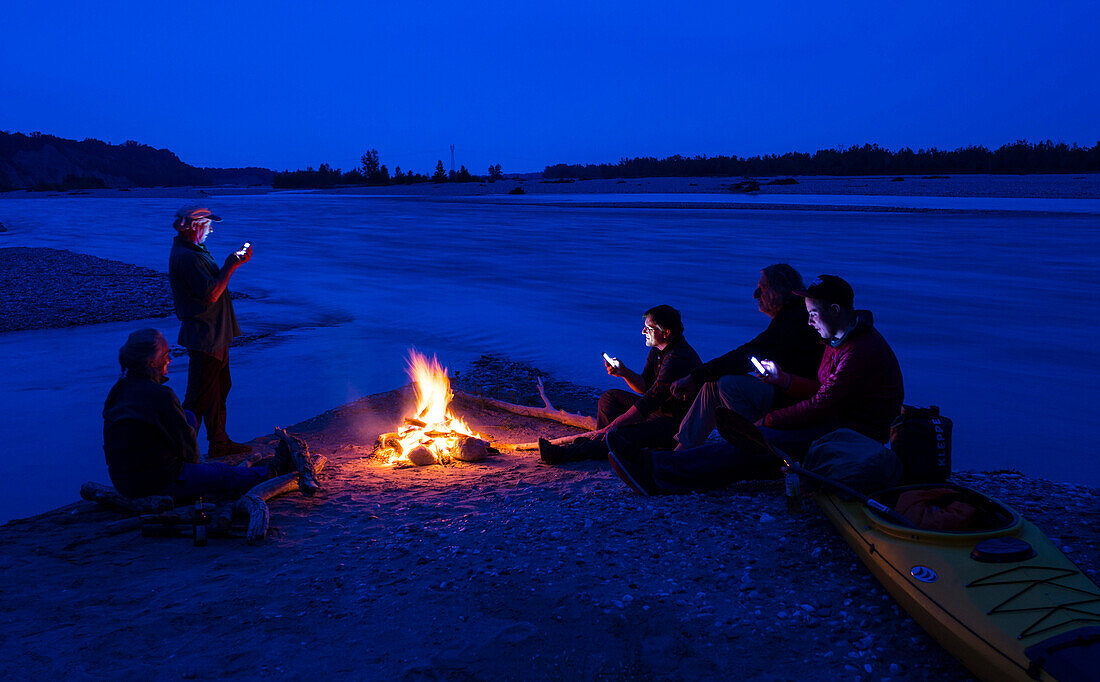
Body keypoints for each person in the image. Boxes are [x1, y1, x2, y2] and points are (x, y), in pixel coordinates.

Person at [607, 275, 904, 496]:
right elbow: (820, 389)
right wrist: (783, 380)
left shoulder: (860, 351)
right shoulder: (836, 341)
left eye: (813, 314)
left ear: (836, 310)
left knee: (754, 442)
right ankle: (667, 461)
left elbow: (822, 405)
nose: (810, 322)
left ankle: (658, 474)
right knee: (755, 434)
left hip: (852, 433)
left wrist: (769, 421)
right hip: (834, 420)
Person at [102, 329, 292, 501]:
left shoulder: (118, 390)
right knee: (222, 472)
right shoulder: (161, 396)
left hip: (123, 482)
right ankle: (273, 472)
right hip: (158, 481)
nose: (170, 360)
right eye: (167, 355)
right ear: (152, 362)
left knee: (189, 416)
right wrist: (191, 465)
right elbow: (189, 450)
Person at [669, 264, 823, 449]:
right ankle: (681, 451)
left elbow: (749, 354)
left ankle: (759, 449)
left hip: (798, 399)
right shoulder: (792, 316)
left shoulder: (793, 320)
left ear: (778, 291)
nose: (755, 294)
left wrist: (695, 376)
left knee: (729, 385)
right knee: (713, 383)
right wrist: (700, 376)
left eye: (762, 288)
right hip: (787, 392)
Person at [538, 305, 702, 464]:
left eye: (649, 329)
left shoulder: (678, 358)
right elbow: (645, 386)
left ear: (666, 333)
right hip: (660, 411)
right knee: (609, 398)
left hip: (677, 425)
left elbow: (650, 400)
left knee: (619, 432)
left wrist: (613, 425)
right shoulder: (658, 350)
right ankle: (603, 444)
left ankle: (565, 453)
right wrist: (624, 372)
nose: (643, 331)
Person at [168, 205, 252, 458]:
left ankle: (219, 442)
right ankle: (178, 455)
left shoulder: (194, 251)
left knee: (218, 388)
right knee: (198, 397)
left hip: (215, 333)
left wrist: (230, 263)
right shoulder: (187, 257)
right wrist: (231, 264)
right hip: (205, 336)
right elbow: (211, 293)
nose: (211, 230)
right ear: (194, 226)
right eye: (207, 225)